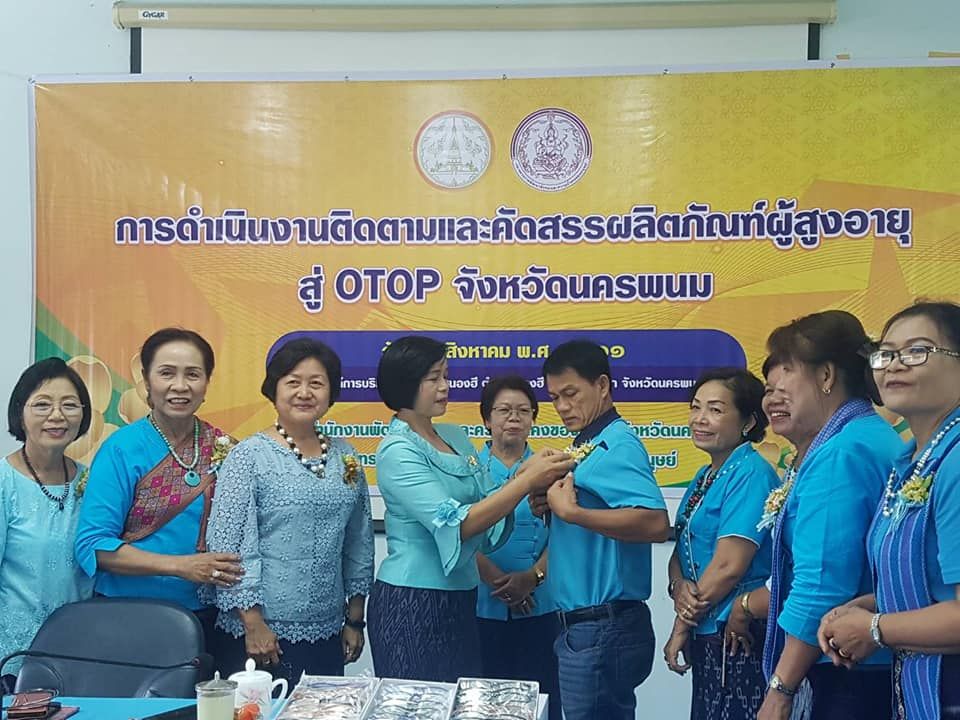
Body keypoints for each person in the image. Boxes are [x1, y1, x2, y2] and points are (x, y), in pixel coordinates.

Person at [725, 311, 901, 720]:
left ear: (825, 376)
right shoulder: (864, 435)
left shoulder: (841, 453)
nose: (771, 399)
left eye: (786, 374)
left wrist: (780, 688)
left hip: (847, 667)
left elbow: (821, 583)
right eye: (767, 389)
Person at [367, 336, 573, 683]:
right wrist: (525, 481)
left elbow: (488, 506)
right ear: (406, 382)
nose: (445, 386)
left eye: (446, 376)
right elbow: (456, 524)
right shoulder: (397, 450)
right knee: (419, 703)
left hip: (462, 600)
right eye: (434, 378)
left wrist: (523, 475)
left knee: (462, 702)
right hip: (412, 600)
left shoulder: (455, 437)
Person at [818, 302, 960, 719]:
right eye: (886, 353)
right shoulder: (910, 461)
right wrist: (866, 606)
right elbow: (933, 584)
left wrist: (875, 629)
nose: (895, 365)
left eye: (917, 351)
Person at [205, 338, 374, 681]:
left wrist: (355, 619)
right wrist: (253, 623)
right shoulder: (248, 456)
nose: (304, 392)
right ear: (274, 388)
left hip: (328, 628)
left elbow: (358, 540)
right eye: (293, 382)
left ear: (331, 392)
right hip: (261, 635)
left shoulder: (346, 456)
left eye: (316, 383)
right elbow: (230, 546)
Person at [75, 328, 243, 672]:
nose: (180, 386)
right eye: (167, 373)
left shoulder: (226, 448)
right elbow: (93, 546)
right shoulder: (121, 449)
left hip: (208, 618)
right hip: (129, 616)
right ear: (146, 381)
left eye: (192, 374)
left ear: (207, 383)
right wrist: (181, 566)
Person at [531, 339, 670, 720]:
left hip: (601, 626)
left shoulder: (616, 444)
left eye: (571, 394)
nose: (562, 407)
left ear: (603, 386)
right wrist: (552, 510)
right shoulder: (588, 445)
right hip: (583, 627)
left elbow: (655, 522)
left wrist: (573, 513)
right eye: (554, 397)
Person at [663, 368, 779, 720]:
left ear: (748, 421)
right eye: (696, 407)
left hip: (738, 631)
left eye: (715, 410)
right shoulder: (706, 475)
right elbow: (681, 546)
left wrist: (681, 623)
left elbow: (729, 566)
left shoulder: (751, 473)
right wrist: (678, 586)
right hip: (706, 625)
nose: (700, 419)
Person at [0, 359, 95, 692]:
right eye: (42, 405)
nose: (57, 416)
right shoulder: (4, 482)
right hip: (15, 658)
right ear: (20, 413)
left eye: (69, 405)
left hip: (84, 651)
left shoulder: (91, 480)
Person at [475, 375, 562, 720]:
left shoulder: (552, 469)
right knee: (484, 706)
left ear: (533, 419)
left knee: (541, 703)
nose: (514, 418)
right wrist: (498, 580)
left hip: (541, 608)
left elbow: (565, 536)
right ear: (487, 419)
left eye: (523, 411)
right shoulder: (467, 471)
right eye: (504, 410)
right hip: (480, 608)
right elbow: (456, 532)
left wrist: (533, 577)